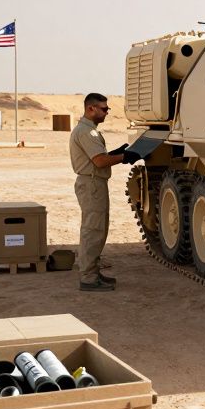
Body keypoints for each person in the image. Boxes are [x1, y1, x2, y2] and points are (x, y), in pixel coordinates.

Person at [69, 93, 128, 292]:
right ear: (90, 109)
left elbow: (99, 157)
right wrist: (124, 156)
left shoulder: (88, 130)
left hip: (93, 183)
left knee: (97, 229)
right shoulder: (87, 132)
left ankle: (92, 272)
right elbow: (100, 161)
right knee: (93, 231)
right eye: (103, 109)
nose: (107, 113)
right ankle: (88, 278)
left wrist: (117, 153)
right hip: (92, 184)